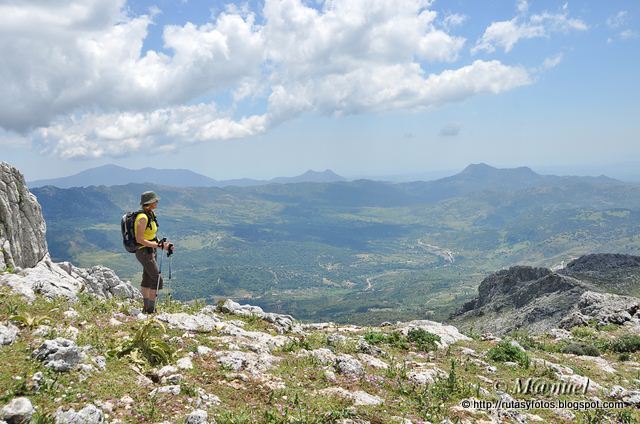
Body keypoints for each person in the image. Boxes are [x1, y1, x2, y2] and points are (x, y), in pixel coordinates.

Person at [135, 191, 173, 314]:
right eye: (155, 201)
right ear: (149, 203)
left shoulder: (150, 214)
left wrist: (164, 245)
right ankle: (151, 310)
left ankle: (146, 308)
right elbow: (139, 239)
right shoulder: (142, 218)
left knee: (147, 278)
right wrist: (158, 245)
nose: (157, 202)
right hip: (144, 252)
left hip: (151, 250)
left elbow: (151, 235)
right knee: (157, 279)